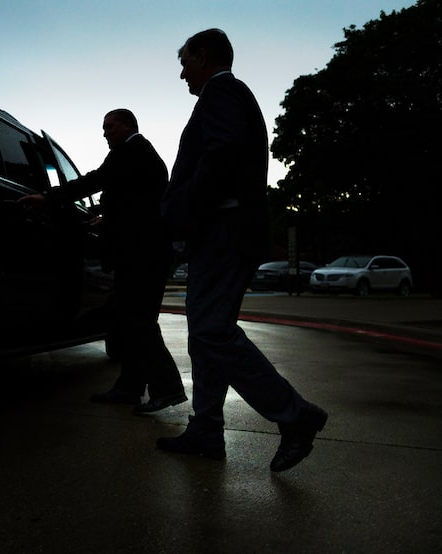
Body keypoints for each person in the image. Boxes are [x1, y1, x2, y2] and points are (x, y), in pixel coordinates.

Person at [158, 29, 328, 471]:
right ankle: (207, 430)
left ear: (205, 57)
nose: (181, 74)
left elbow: (221, 155)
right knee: (205, 332)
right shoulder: (228, 95)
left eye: (185, 61)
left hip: (222, 230)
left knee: (211, 330)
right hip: (224, 230)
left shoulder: (222, 92)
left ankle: (295, 415)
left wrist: (186, 208)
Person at [20, 109, 186, 414]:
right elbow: (137, 203)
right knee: (133, 320)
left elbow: (94, 181)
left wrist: (48, 197)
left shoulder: (129, 151)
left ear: (128, 125)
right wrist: (107, 220)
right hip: (150, 252)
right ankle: (129, 388)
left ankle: (167, 387)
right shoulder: (144, 155)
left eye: (109, 126)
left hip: (139, 255)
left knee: (136, 320)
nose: (105, 133)